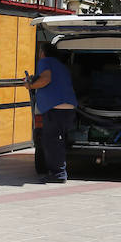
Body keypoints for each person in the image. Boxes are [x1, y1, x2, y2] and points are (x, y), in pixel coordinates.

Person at [25, 42, 78, 183]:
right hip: (68, 108)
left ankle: (58, 174)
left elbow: (46, 79)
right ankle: (59, 171)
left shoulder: (45, 61)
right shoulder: (61, 66)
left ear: (42, 52)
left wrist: (30, 85)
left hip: (55, 108)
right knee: (57, 142)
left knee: (50, 142)